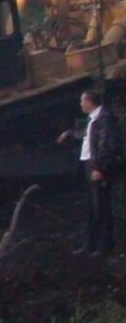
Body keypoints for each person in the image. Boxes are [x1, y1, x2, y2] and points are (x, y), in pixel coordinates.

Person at [57, 89, 120, 256]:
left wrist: (100, 168)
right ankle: (89, 244)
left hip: (97, 166)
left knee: (101, 207)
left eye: (82, 101)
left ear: (90, 102)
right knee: (93, 207)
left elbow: (107, 145)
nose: (80, 104)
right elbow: (85, 135)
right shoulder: (93, 119)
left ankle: (104, 246)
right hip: (89, 165)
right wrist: (69, 133)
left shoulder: (104, 119)